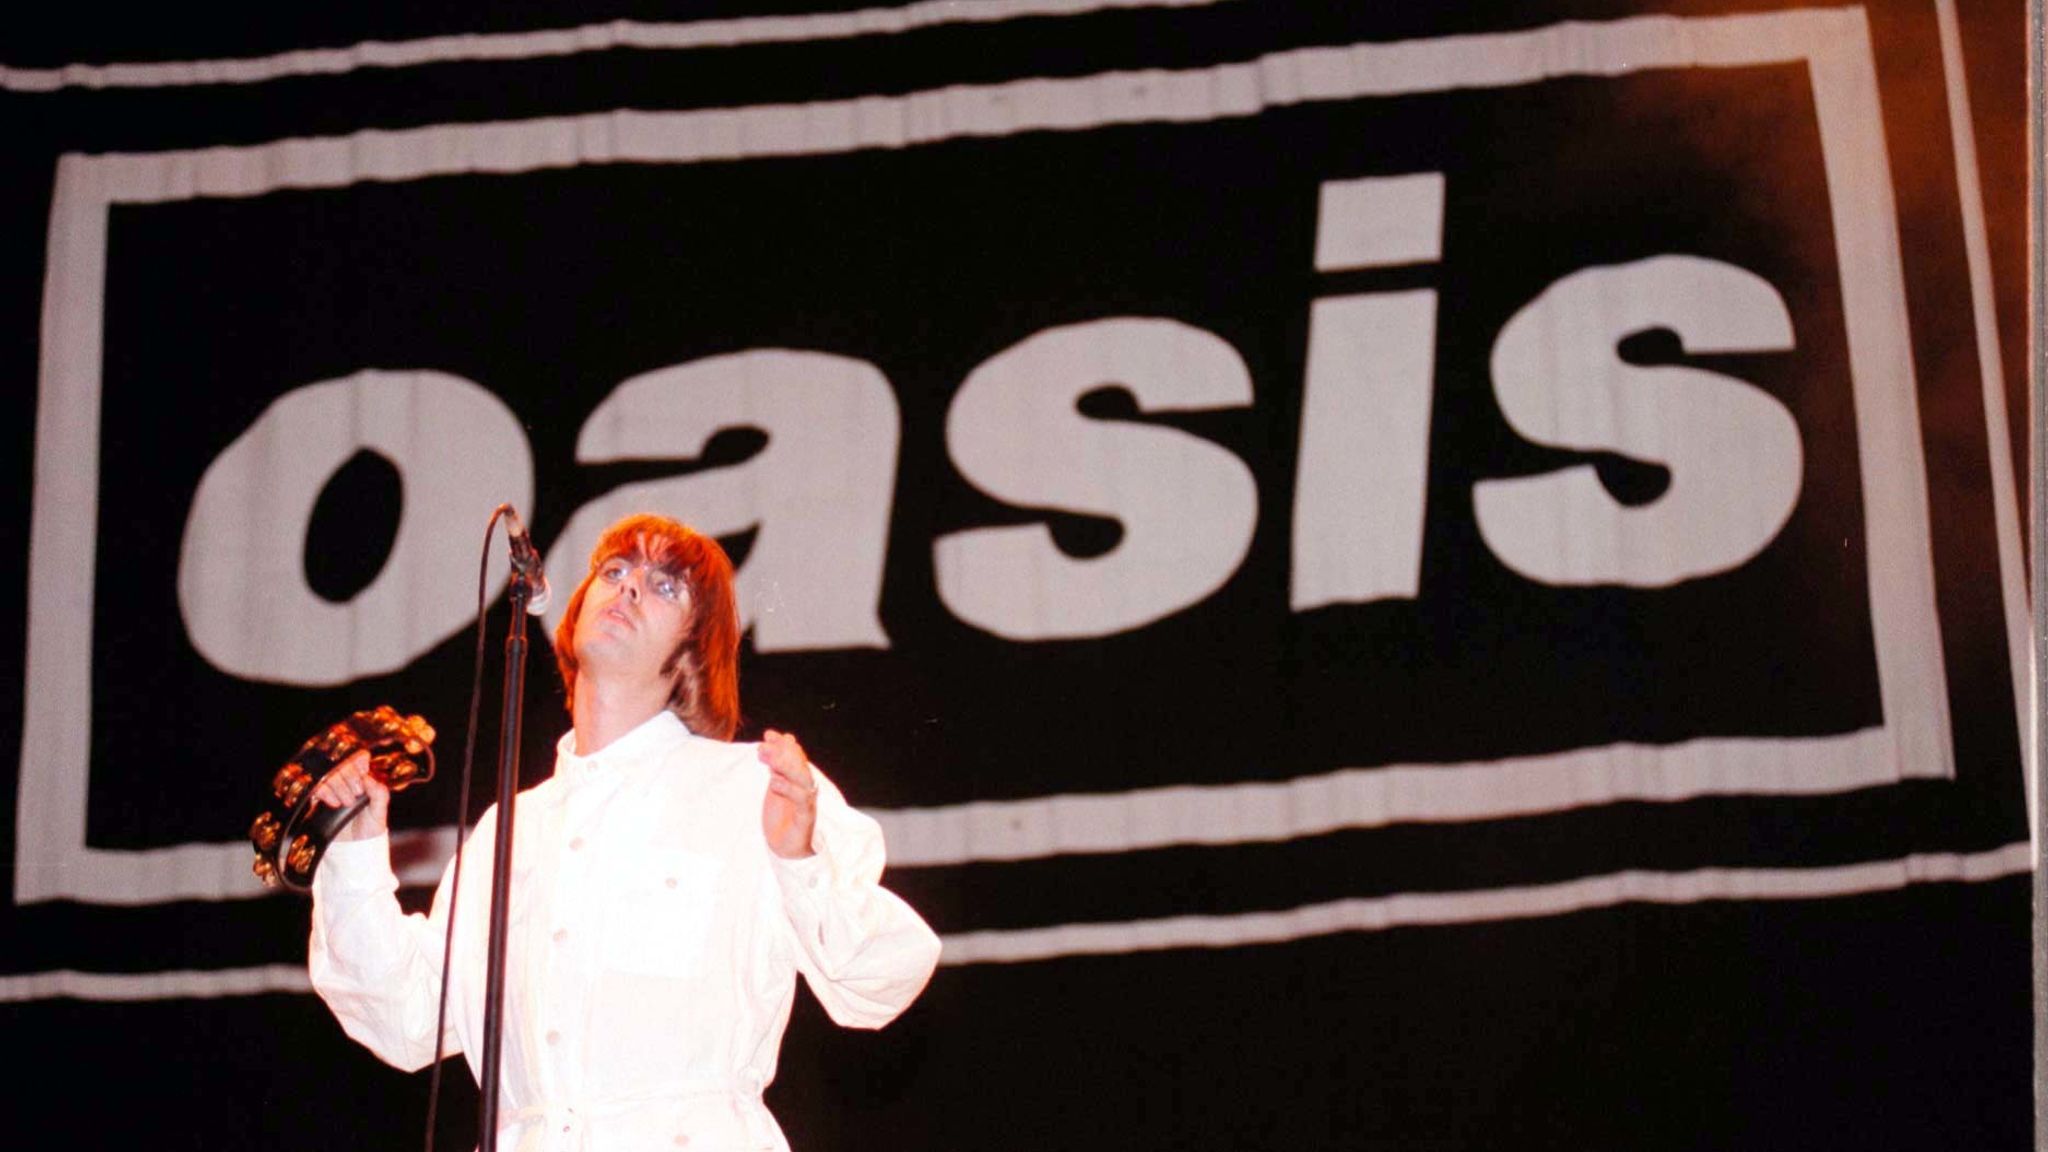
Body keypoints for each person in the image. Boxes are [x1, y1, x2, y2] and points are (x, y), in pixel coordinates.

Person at [307, 513, 942, 1152]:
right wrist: (356, 850)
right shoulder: (512, 827)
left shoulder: (755, 789)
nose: (630, 588)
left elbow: (881, 982)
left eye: (666, 586)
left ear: (693, 652)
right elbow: (406, 1019)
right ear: (576, 613)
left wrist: (799, 859)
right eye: (614, 571)